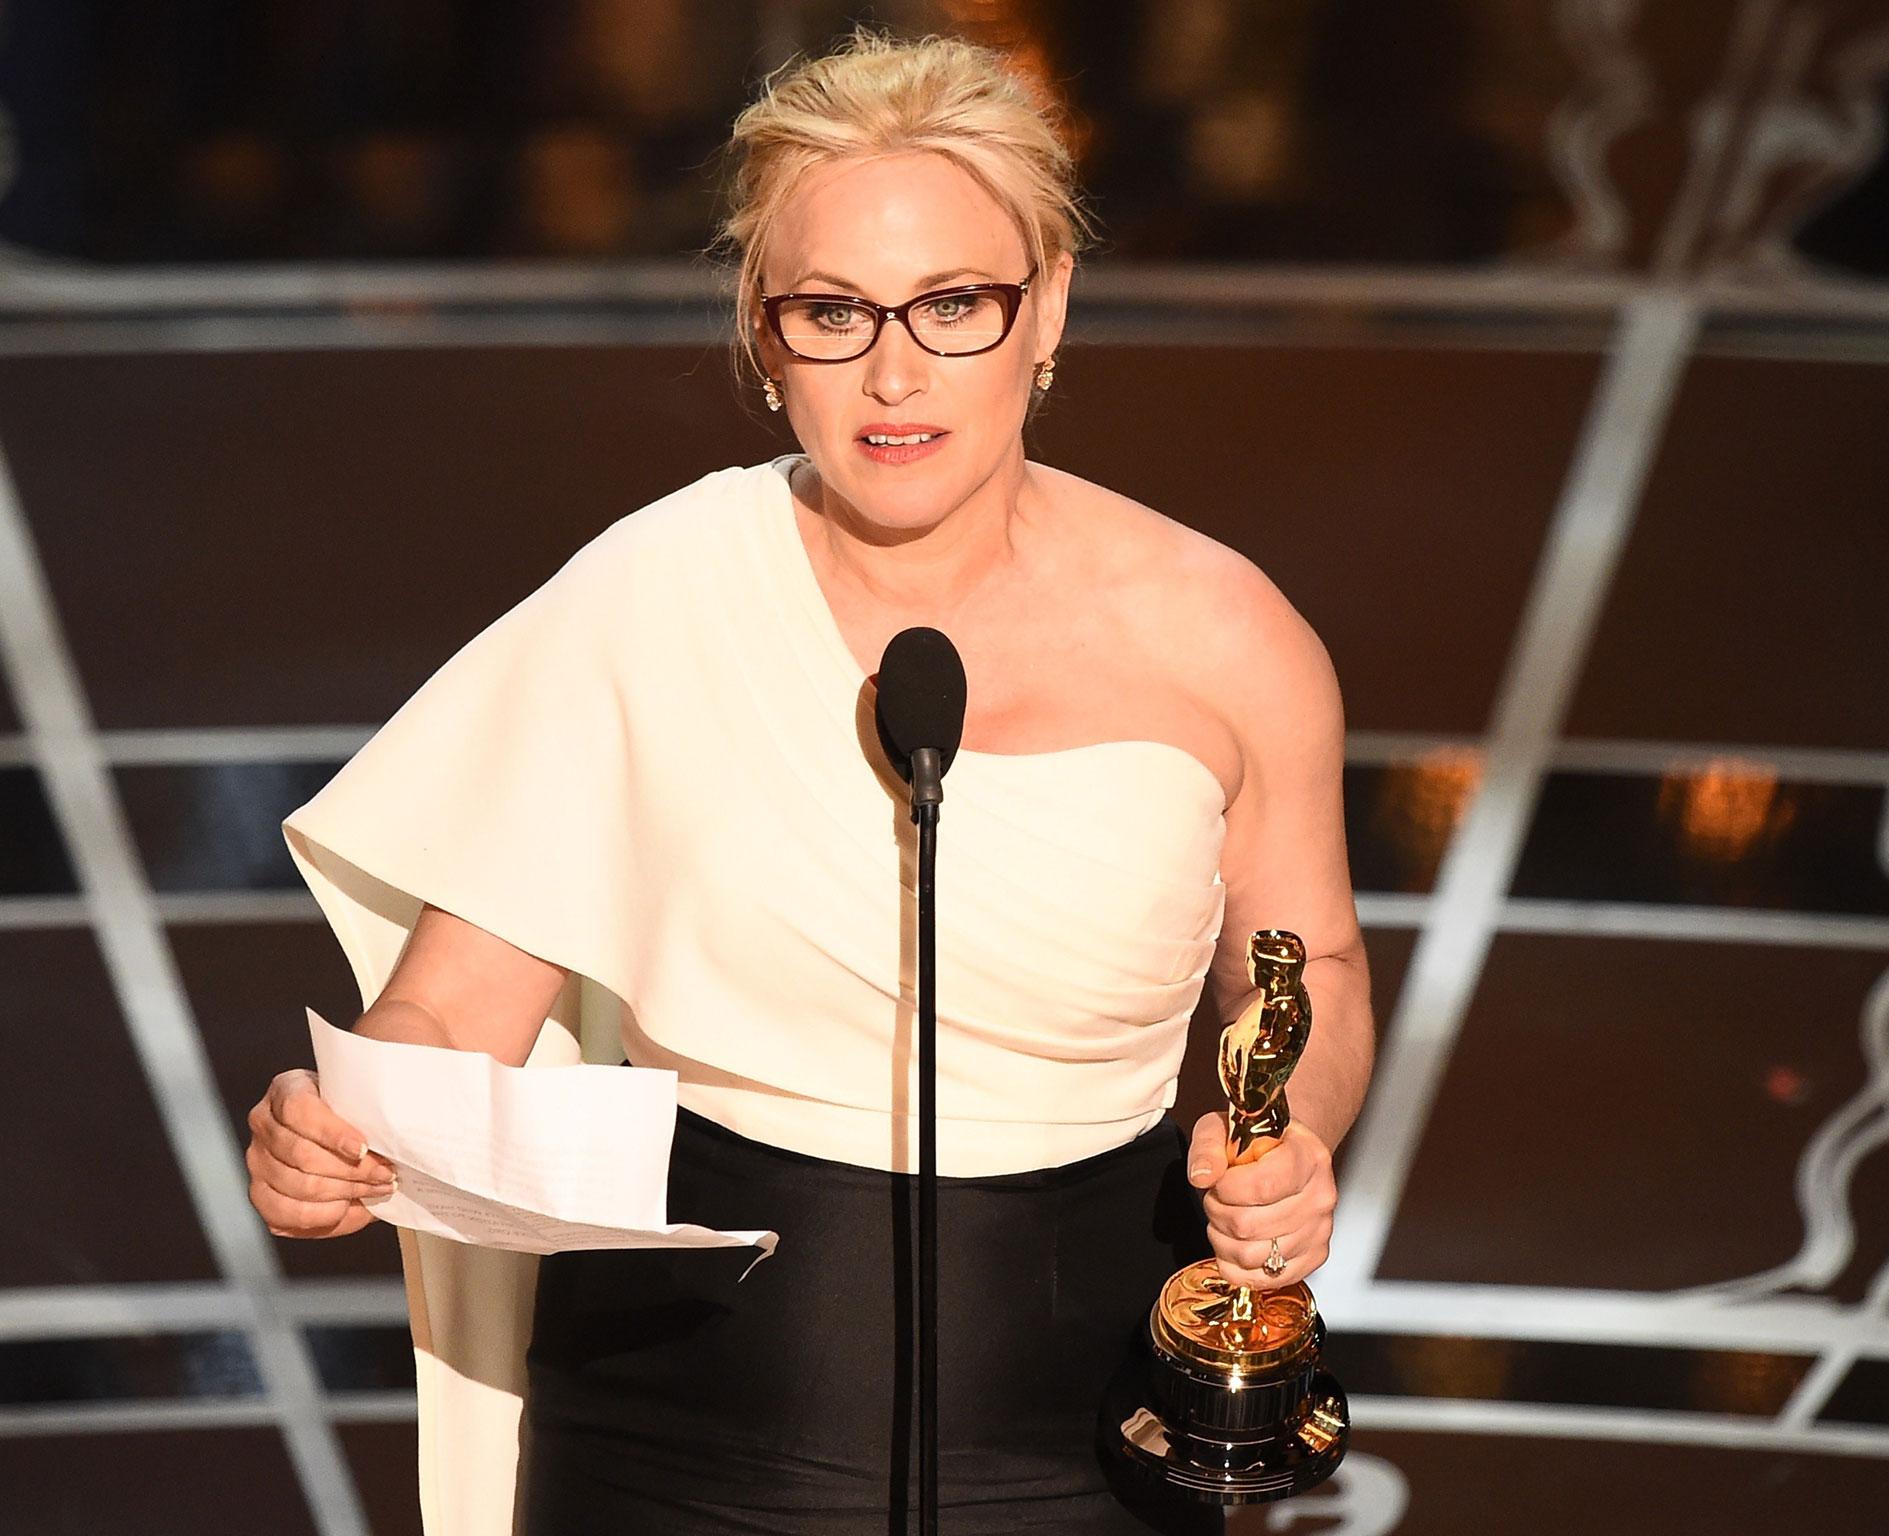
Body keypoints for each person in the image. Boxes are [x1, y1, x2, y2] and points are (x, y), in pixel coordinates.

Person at [244, 27, 1374, 1536]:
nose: (894, 372)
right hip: (677, 1416)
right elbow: (454, 1009)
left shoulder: (1232, 637)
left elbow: (1312, 972)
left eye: (955, 305)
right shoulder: (654, 593)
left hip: (1081, 1420)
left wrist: (1291, 1141)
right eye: (834, 311)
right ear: (765, 339)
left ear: (1046, 312)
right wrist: (335, 1128)